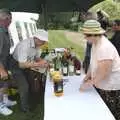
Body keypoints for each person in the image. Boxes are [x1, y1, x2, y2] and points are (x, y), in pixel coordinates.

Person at [80, 20, 120, 120]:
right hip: (101, 82)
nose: (84, 37)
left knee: (109, 113)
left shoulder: (105, 47)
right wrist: (87, 76)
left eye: (86, 35)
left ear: (93, 34)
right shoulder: (95, 43)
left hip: (111, 87)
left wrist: (89, 83)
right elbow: (93, 63)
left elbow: (104, 72)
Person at [13, 30, 48, 110]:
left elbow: (36, 57)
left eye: (44, 41)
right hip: (16, 64)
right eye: (43, 41)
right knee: (24, 86)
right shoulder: (24, 45)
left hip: (27, 62)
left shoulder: (38, 45)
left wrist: (43, 61)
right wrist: (39, 64)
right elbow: (21, 65)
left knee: (33, 78)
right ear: (36, 38)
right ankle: (24, 107)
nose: (44, 43)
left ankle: (34, 98)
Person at [0, 8, 18, 116]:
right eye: (10, 19)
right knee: (1, 85)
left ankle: (5, 100)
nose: (11, 22)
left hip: (5, 62)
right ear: (5, 19)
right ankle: (0, 105)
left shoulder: (4, 30)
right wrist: (1, 70)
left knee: (5, 83)